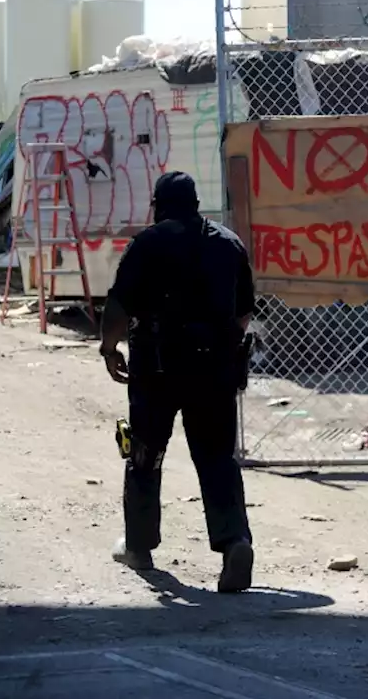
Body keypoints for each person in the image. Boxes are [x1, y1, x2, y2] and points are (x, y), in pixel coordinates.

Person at [100, 171, 257, 593]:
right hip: (215, 367)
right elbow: (244, 312)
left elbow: (118, 305)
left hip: (157, 367)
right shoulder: (228, 243)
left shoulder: (147, 243)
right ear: (196, 202)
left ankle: (138, 546)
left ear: (159, 204)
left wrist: (109, 347)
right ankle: (234, 541)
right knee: (216, 458)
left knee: (144, 453)